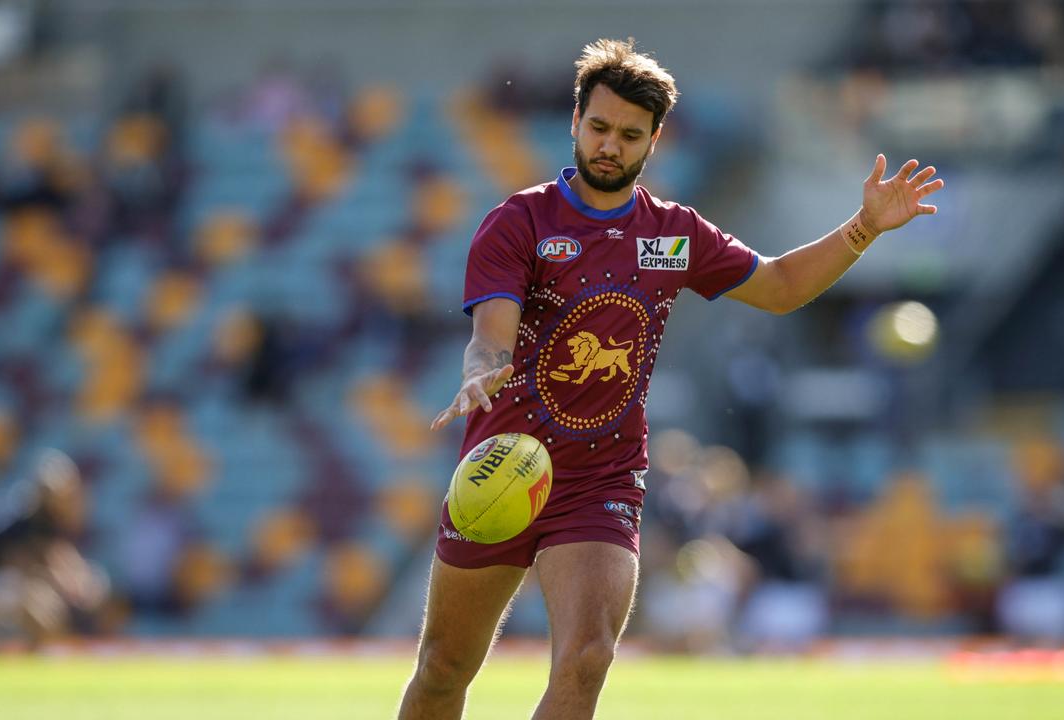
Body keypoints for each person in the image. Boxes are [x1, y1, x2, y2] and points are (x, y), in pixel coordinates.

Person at [398, 38, 943, 720]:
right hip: (504, 470)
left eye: (629, 135)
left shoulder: (674, 234)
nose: (609, 146)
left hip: (601, 481)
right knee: (444, 669)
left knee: (588, 656)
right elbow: (490, 338)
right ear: (575, 122)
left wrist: (863, 227)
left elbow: (776, 286)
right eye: (598, 128)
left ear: (653, 141)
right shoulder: (520, 222)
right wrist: (480, 372)